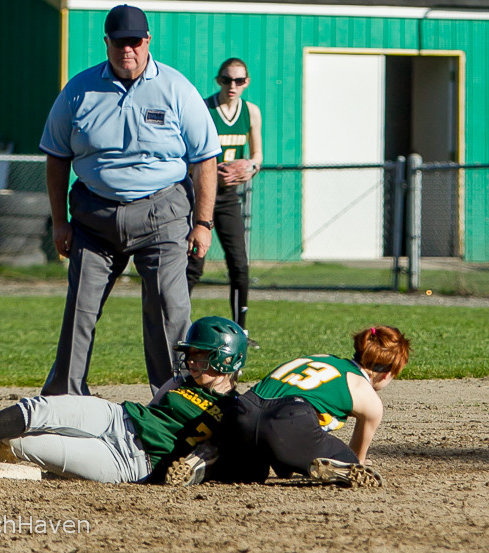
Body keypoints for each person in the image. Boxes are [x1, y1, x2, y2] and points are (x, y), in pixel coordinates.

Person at [38, 4, 222, 397]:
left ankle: (174, 399)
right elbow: (56, 157)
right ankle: (64, 399)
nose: (128, 51)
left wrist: (203, 223)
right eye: (120, 43)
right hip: (94, 216)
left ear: (147, 41)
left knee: (168, 310)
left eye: (135, 43)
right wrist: (59, 221)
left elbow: (205, 158)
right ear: (107, 43)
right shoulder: (78, 91)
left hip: (163, 213)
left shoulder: (176, 89)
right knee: (80, 311)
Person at [0, 317, 247, 485]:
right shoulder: (181, 382)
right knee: (40, 408)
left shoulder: (236, 411)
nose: (191, 361)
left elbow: (226, 453)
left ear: (228, 361)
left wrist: (197, 464)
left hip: (132, 463)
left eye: (202, 356)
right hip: (118, 417)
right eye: (190, 354)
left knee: (19, 446)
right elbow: (153, 407)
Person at [200, 325, 411, 488]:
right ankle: (303, 460)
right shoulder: (370, 399)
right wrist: (354, 461)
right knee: (350, 463)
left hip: (242, 410)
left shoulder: (318, 358)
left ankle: (210, 462)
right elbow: (359, 459)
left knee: (252, 473)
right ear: (387, 373)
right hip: (289, 419)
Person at [186, 58, 263, 348]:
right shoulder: (204, 110)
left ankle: (241, 330)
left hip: (228, 197)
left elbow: (257, 157)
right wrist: (205, 172)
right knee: (193, 265)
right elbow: (187, 155)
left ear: (247, 82)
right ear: (218, 80)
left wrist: (248, 168)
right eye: (227, 80)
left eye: (239, 81)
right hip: (199, 195)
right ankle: (181, 327)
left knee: (239, 263)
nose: (233, 86)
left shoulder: (251, 112)